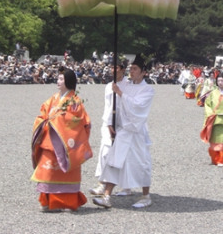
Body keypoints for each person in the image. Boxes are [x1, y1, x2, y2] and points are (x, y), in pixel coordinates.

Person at [93, 54, 155, 209]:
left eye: (135, 69)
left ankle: (146, 195)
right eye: (131, 68)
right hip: (123, 130)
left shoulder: (147, 90)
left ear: (143, 72)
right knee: (114, 161)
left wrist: (120, 93)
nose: (132, 71)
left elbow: (138, 107)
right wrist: (110, 122)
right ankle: (107, 196)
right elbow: (115, 106)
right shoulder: (125, 85)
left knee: (141, 163)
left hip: (137, 132)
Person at [31, 67, 92, 212]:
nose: (58, 81)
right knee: (48, 172)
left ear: (68, 81)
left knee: (66, 172)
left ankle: (68, 202)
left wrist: (59, 120)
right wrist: (45, 120)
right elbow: (43, 113)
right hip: (49, 140)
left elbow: (80, 121)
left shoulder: (75, 100)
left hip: (66, 143)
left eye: (61, 79)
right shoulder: (53, 99)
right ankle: (47, 201)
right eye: (58, 78)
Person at [89, 57, 131, 197]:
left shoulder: (129, 85)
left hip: (123, 123)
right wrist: (107, 122)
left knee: (124, 153)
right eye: (111, 67)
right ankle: (102, 183)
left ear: (123, 70)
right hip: (108, 122)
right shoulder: (108, 86)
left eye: (116, 68)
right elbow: (108, 106)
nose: (113, 70)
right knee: (105, 150)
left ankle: (126, 185)